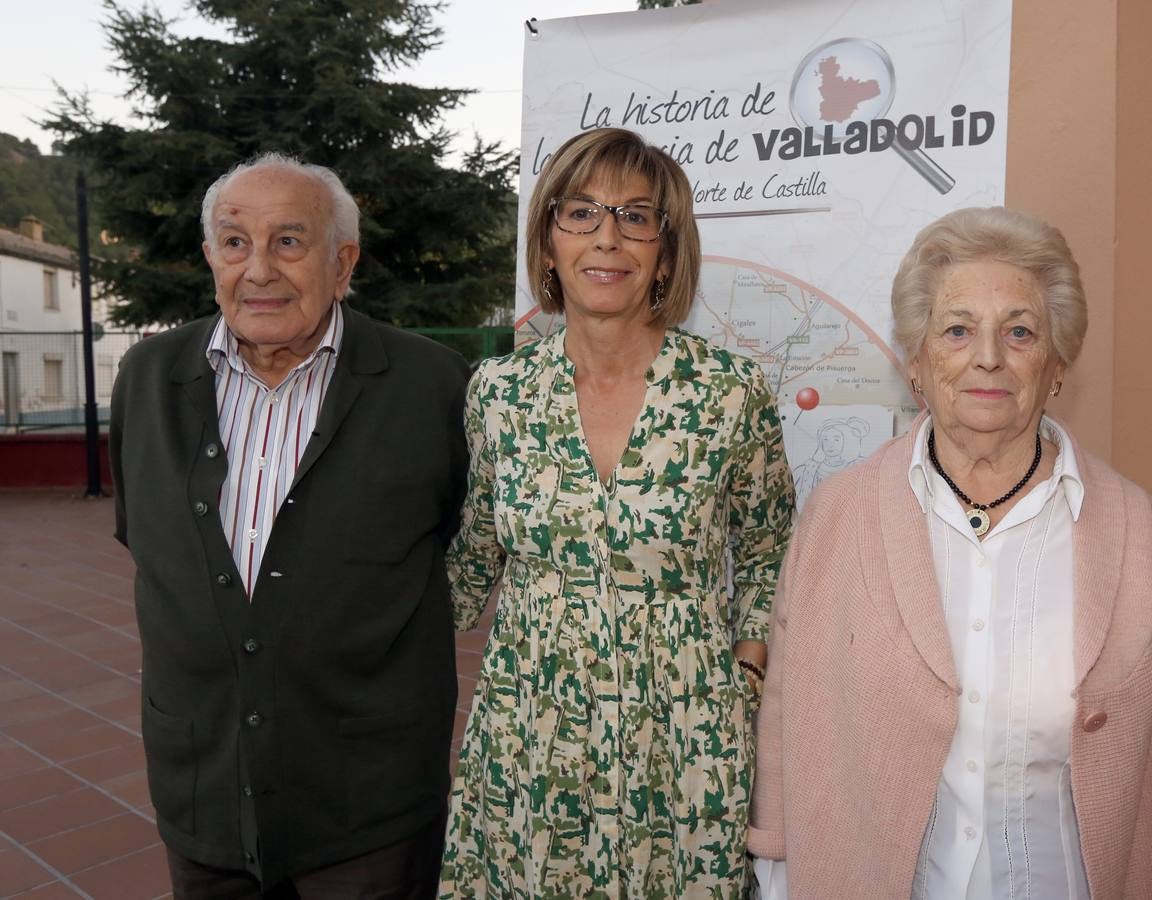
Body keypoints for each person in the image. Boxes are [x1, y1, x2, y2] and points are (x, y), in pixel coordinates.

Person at [748, 207, 1152, 899]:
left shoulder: (1141, 533)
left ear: (1056, 362)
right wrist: (776, 872)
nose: (987, 357)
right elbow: (786, 722)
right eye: (956, 330)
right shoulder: (837, 517)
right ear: (916, 359)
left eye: (1018, 332)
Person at [440, 127, 796, 899]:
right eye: (582, 213)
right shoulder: (496, 392)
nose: (608, 237)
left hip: (686, 733)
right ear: (548, 241)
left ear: (666, 253)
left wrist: (744, 675)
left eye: (637, 217)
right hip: (534, 730)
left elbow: (771, 548)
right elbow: (469, 560)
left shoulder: (728, 392)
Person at [110, 153, 470, 897]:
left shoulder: (431, 385)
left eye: (289, 242)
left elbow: (458, 543)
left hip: (367, 797)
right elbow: (146, 540)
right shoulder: (146, 379)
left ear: (343, 264)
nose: (259, 270)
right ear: (210, 257)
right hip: (201, 783)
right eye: (235, 242)